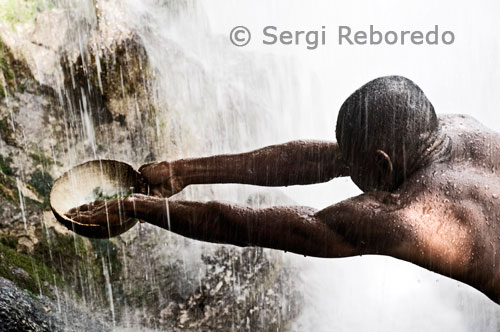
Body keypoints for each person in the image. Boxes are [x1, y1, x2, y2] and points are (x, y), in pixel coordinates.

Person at [67, 76, 500, 304]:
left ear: (381, 165)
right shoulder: (455, 129)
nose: (340, 168)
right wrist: (184, 171)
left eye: (352, 166)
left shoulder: (414, 218)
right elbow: (316, 159)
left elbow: (255, 227)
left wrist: (139, 208)